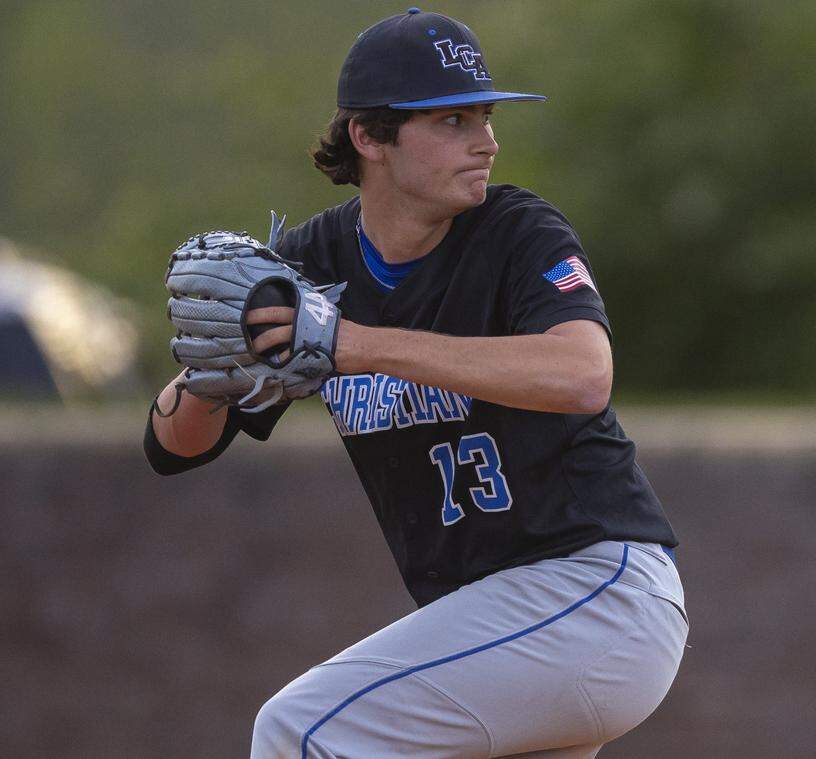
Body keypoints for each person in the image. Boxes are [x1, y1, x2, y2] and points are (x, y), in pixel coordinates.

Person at [145, 8, 687, 758]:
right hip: (498, 623)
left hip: (592, 593)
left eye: (487, 116)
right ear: (369, 137)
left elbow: (584, 374)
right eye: (453, 119)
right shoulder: (313, 265)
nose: (486, 139)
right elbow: (173, 447)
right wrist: (211, 374)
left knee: (300, 730)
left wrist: (358, 345)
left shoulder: (515, 231)